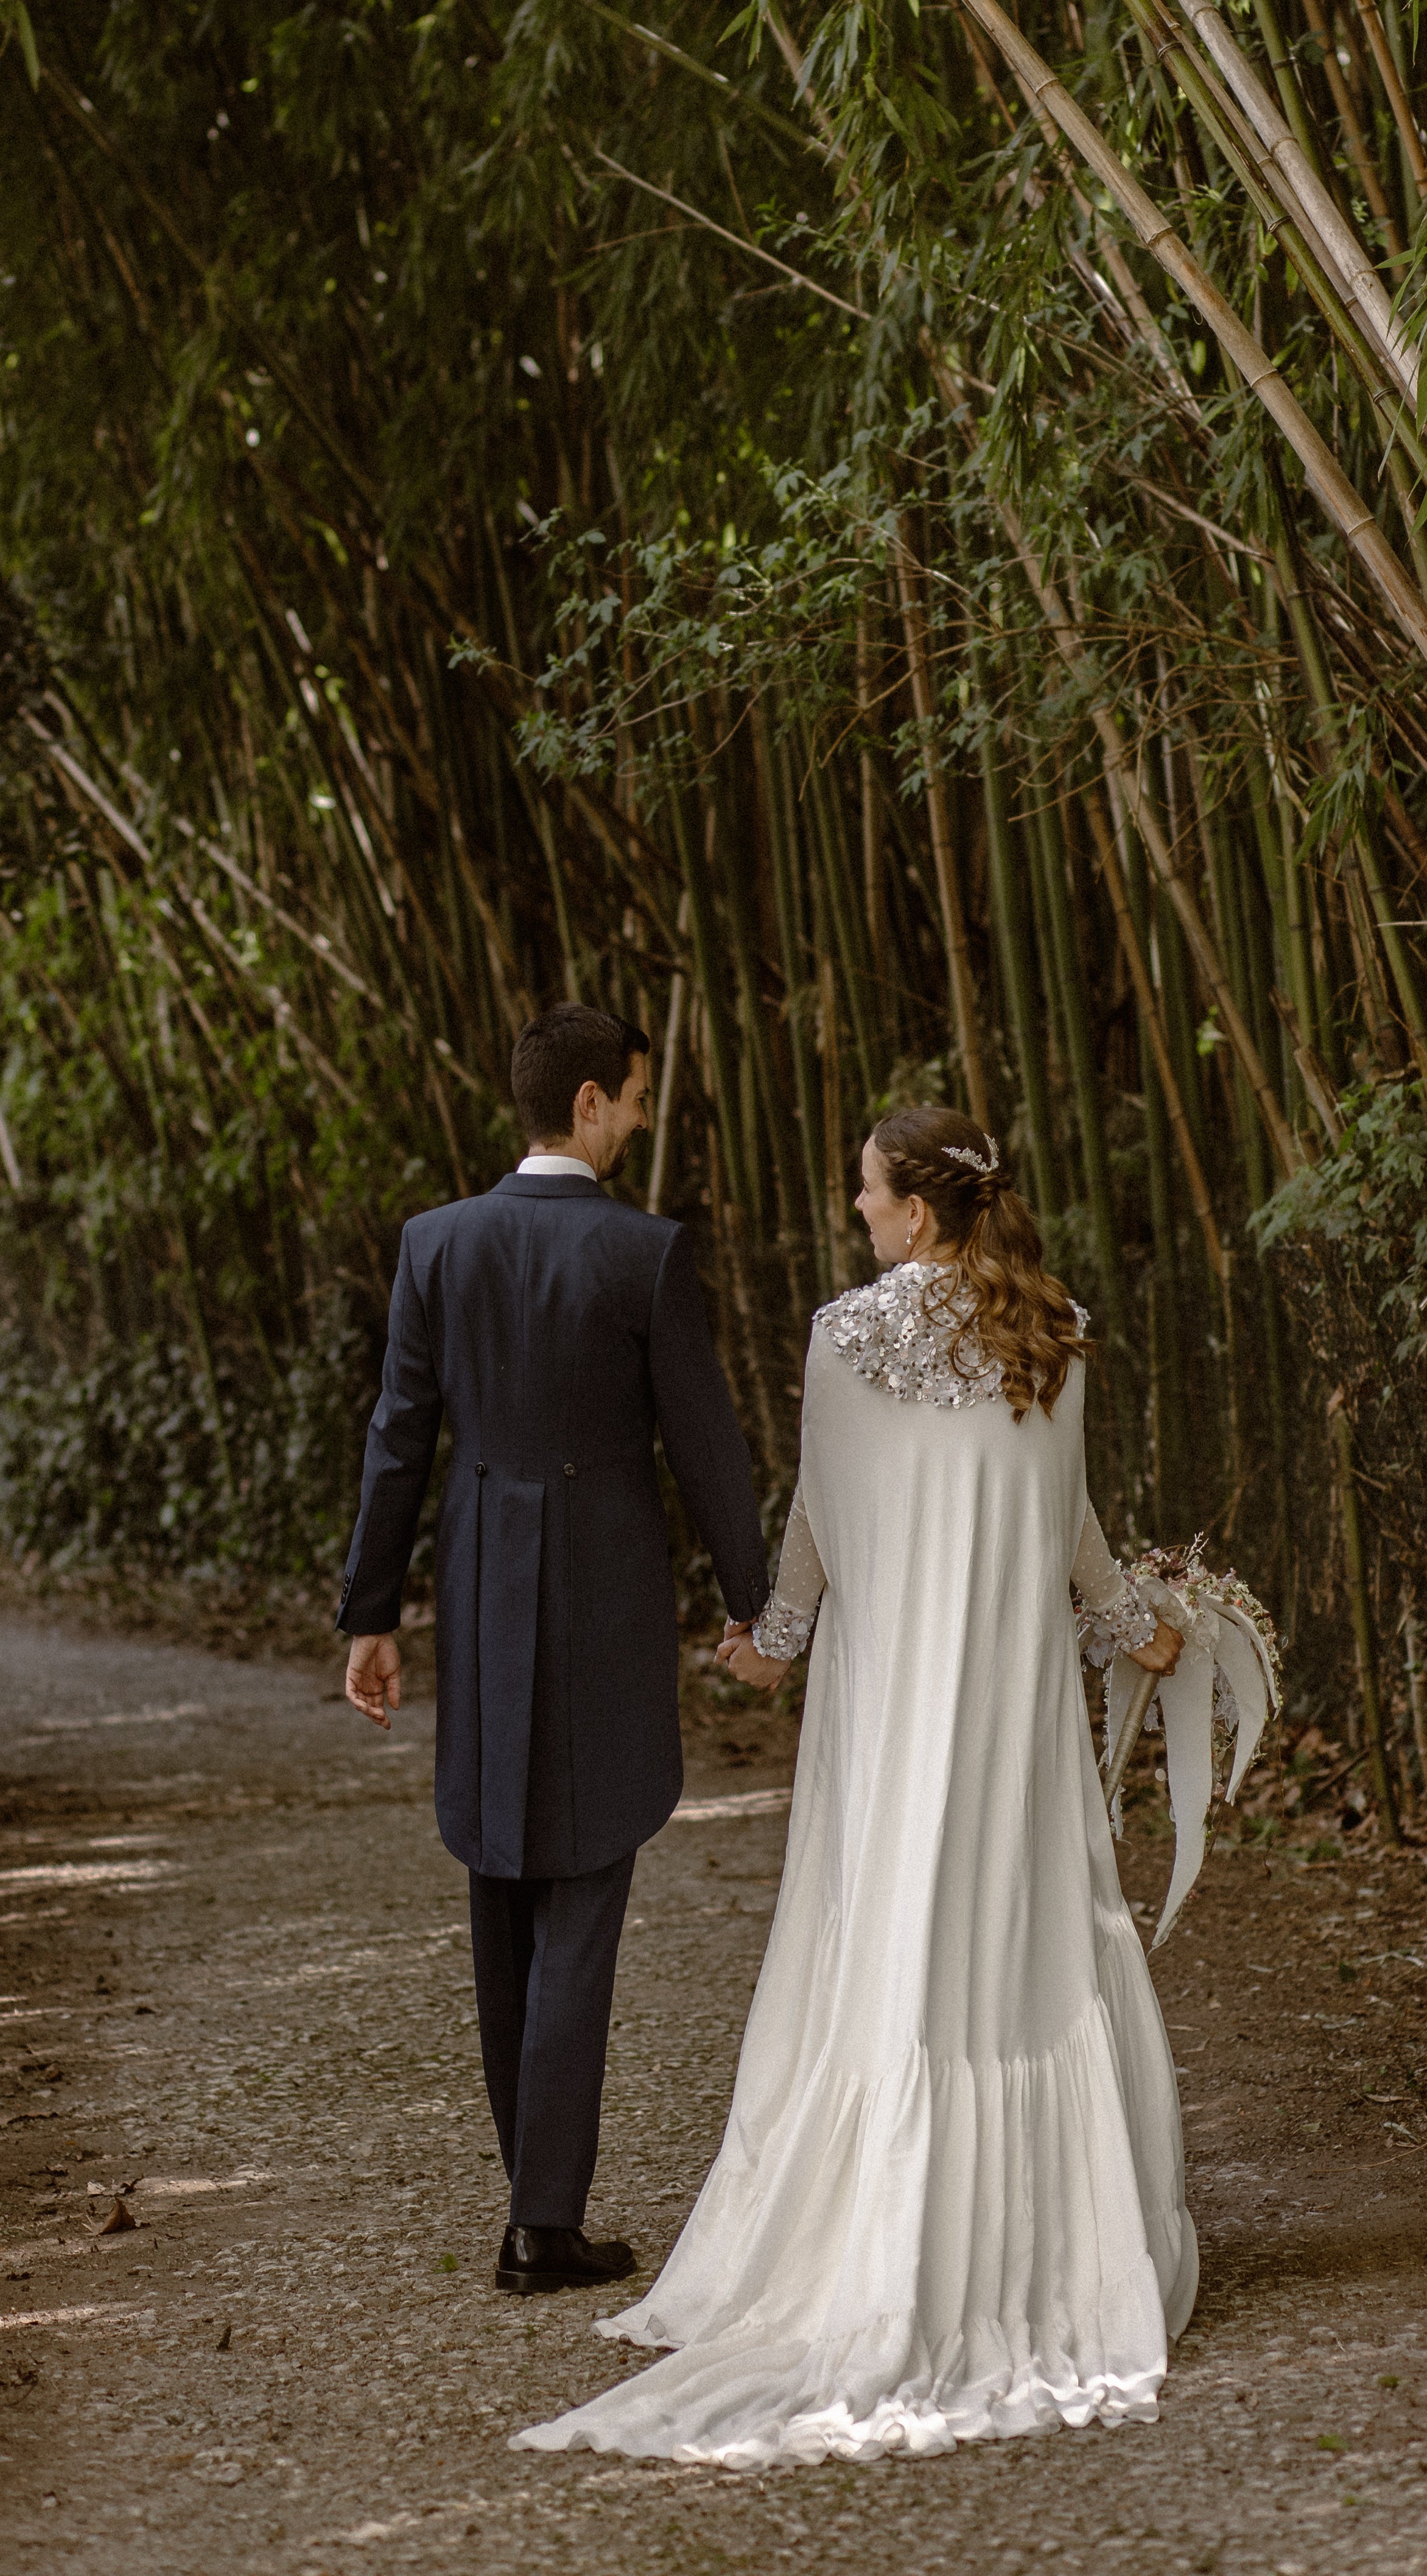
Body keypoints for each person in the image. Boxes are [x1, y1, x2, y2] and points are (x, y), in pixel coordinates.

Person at [514, 1104, 1194, 2466]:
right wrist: (1134, 1627)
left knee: (888, 1926)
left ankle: (883, 2243)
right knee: (1026, 1935)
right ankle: (1054, 2247)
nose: (859, 1213)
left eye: (869, 1195)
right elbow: (1071, 1522)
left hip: (894, 1708)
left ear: (919, 1213)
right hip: (1008, 1699)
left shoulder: (846, 1339)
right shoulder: (1058, 1331)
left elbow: (820, 1513)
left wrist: (775, 1643)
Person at [338, 1000, 771, 2297]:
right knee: (583, 1882)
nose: (641, 1118)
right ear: (587, 1103)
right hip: (603, 1595)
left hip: (479, 1583)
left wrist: (369, 1612)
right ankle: (543, 2219)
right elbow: (703, 1441)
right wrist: (758, 1602)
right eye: (634, 1096)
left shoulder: (435, 1245)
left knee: (500, 1873)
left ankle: (536, 2193)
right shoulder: (643, 1255)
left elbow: (397, 1438)